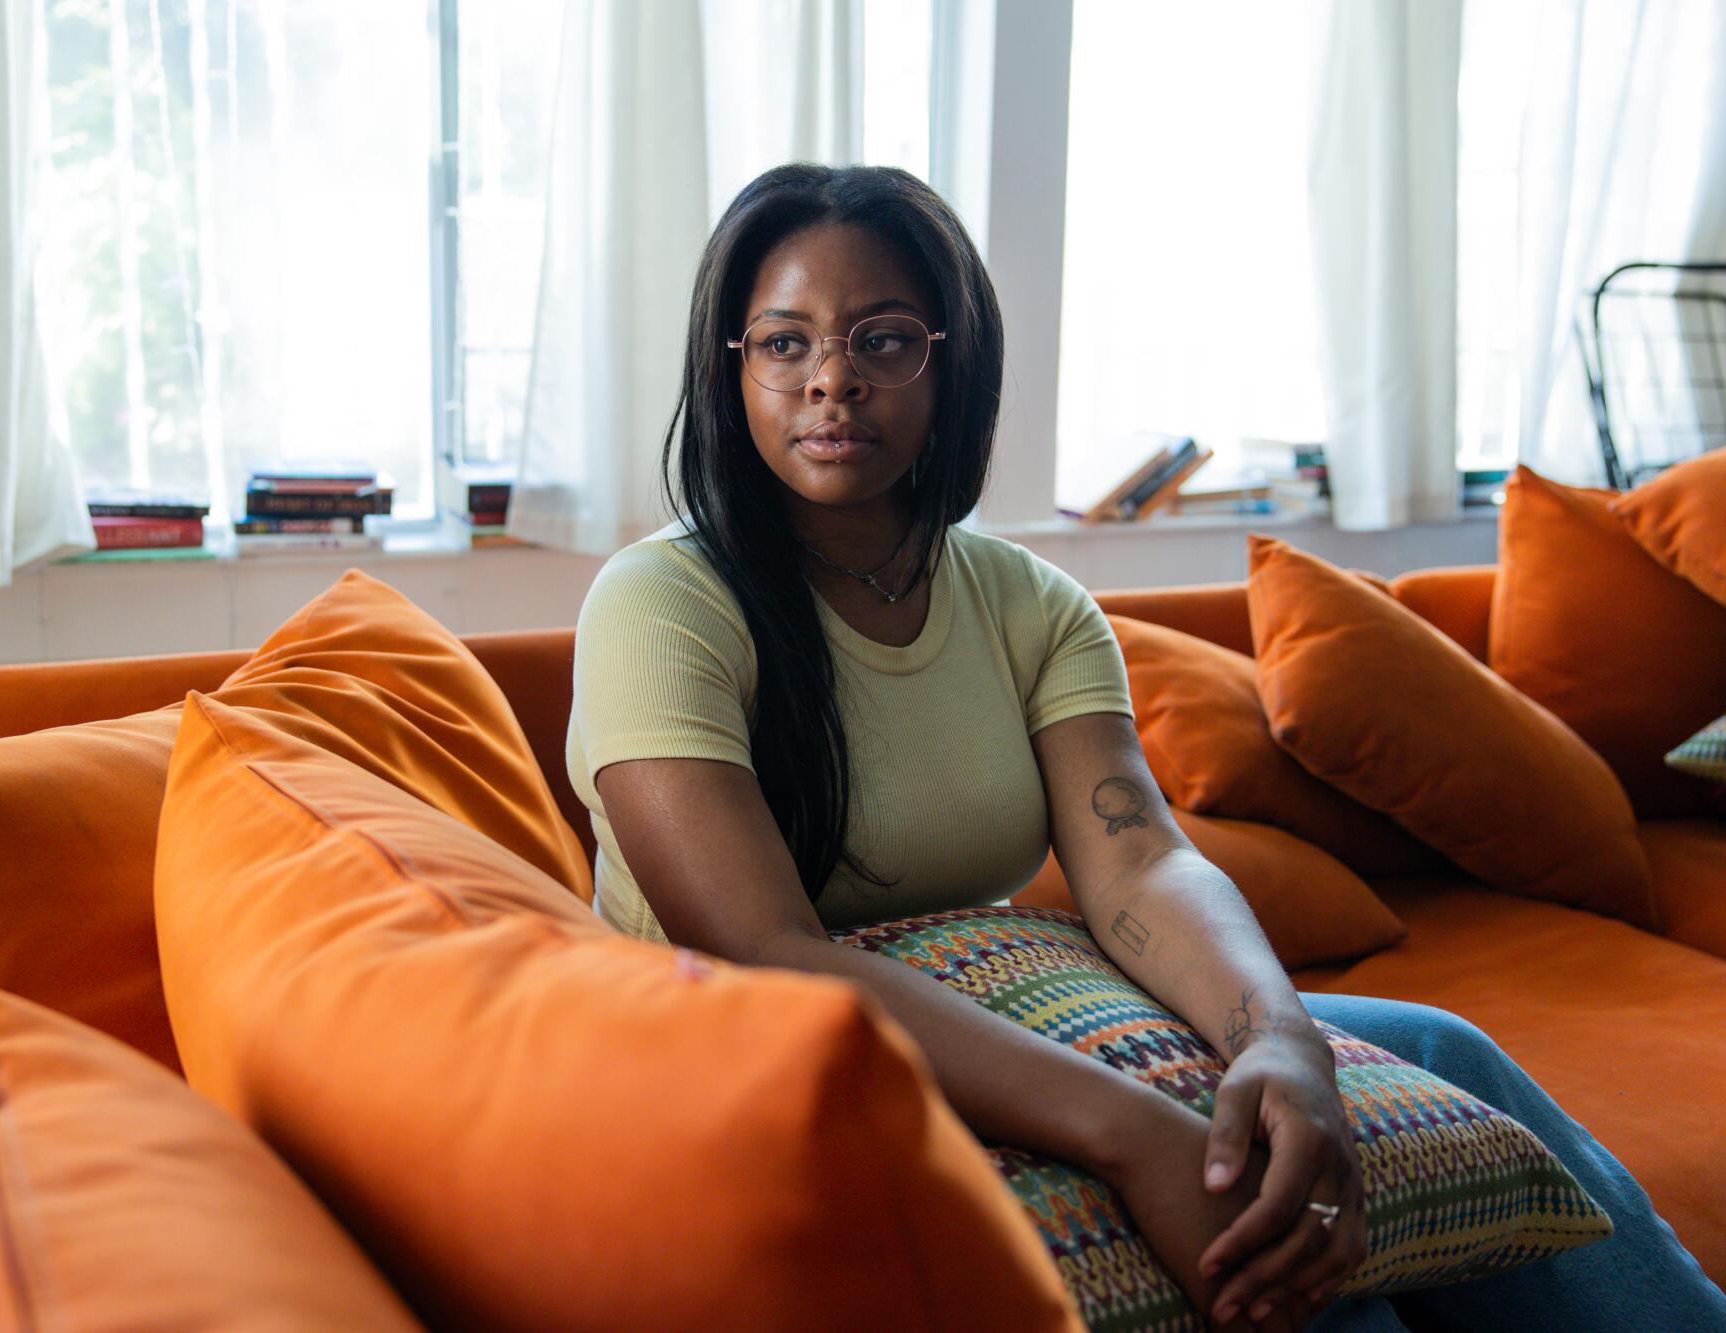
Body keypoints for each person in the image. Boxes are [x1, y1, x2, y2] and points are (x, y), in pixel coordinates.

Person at [565, 163, 1726, 1332]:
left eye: (881, 340)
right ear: (732, 366)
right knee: (1293, 1263)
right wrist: (1132, 1131)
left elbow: (1139, 863)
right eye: (781, 343)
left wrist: (1279, 1043)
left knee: (1429, 1051)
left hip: (993, 1014)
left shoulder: (1032, 604)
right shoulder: (661, 603)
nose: (830, 380)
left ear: (950, 359)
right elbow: (763, 947)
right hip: (760, 1069)